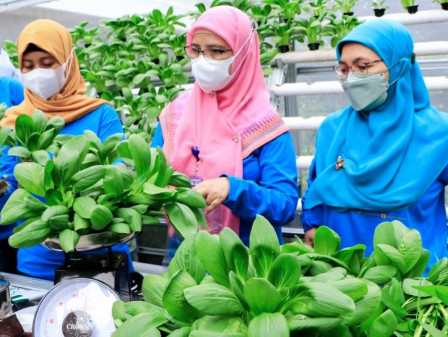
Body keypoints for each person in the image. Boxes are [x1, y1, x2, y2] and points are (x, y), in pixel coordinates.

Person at [301, 19, 448, 270]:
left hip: (413, 285)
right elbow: (318, 185)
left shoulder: (438, 133)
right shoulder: (333, 128)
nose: (351, 78)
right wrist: (312, 225)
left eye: (363, 66)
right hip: (340, 276)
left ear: (400, 65)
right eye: (344, 69)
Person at [152, 5, 299, 254]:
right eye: (196, 50)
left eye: (217, 51)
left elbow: (284, 204)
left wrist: (233, 189)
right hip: (184, 254)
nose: (203, 61)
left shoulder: (265, 126)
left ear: (243, 53)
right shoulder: (174, 116)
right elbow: (150, 175)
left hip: (248, 262)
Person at [0, 19, 133, 280]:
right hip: (38, 261)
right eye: (28, 66)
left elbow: (121, 175)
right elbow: (9, 186)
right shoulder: (16, 121)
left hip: (101, 254)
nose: (38, 73)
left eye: (47, 63)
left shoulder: (100, 114)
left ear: (68, 61)